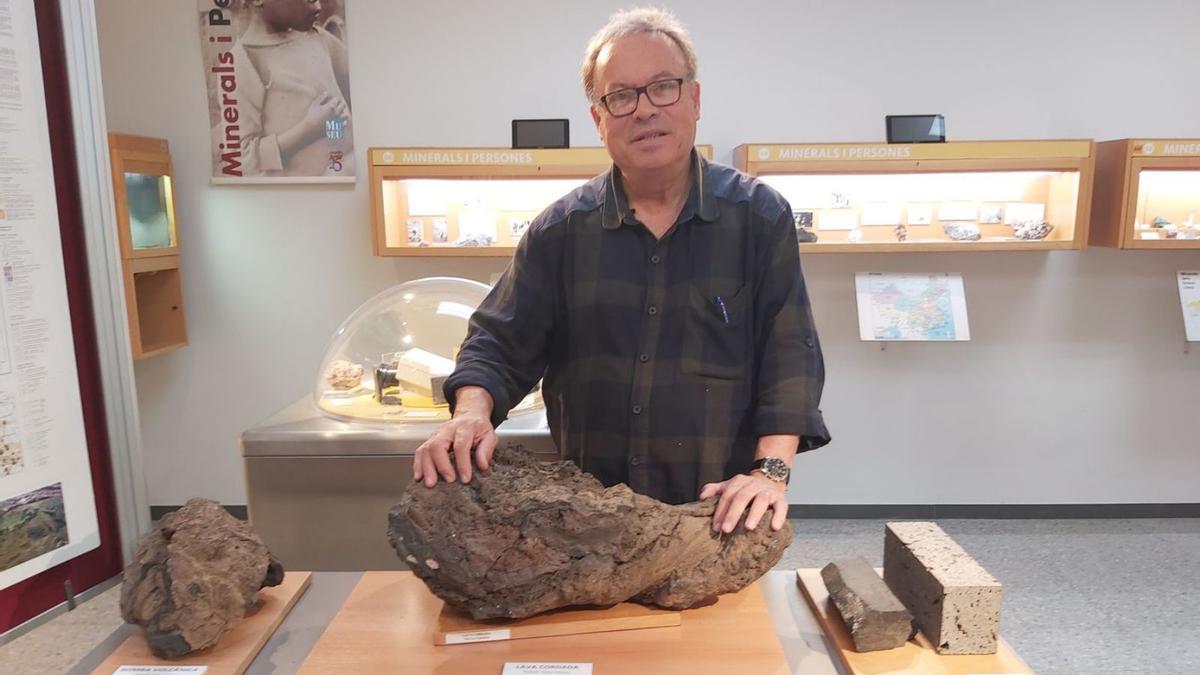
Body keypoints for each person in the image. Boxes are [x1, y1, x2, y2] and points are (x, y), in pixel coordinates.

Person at [416, 8, 829, 534]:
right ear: (599, 119)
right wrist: (470, 413)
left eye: (663, 87)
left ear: (694, 100)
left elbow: (789, 355)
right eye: (621, 96)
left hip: (715, 518)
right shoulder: (560, 231)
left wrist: (770, 472)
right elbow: (497, 342)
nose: (644, 110)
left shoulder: (760, 217)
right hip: (590, 522)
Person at [231, 0, 354, 177]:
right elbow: (243, 160)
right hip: (306, 194)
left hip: (349, 177)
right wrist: (309, 127)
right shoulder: (244, 61)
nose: (316, 4)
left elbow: (361, 92)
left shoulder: (318, 38)